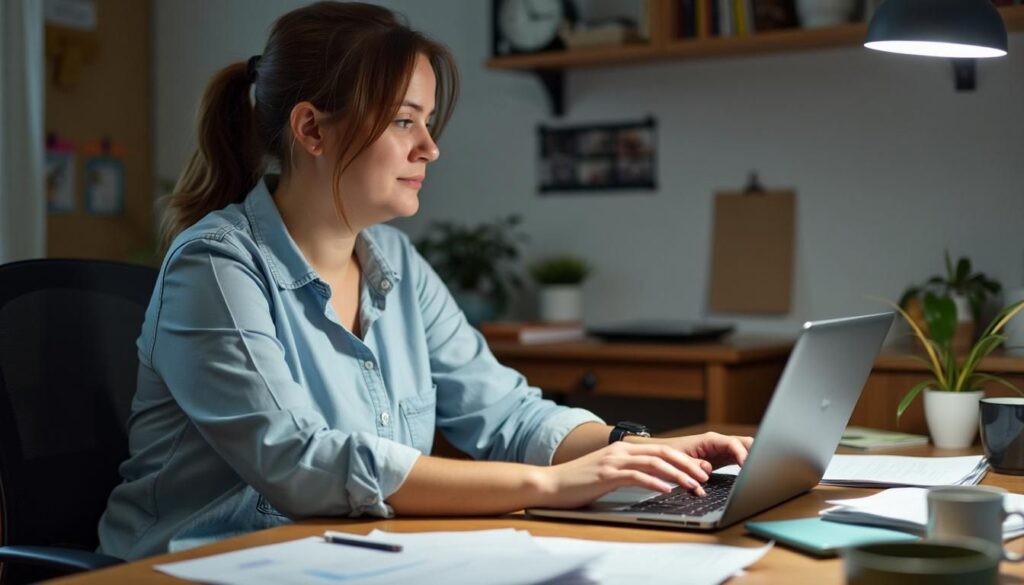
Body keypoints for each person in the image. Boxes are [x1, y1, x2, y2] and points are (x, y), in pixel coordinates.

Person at [97, 1, 753, 560]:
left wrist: (635, 451)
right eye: (405, 120)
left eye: (428, 123)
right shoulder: (215, 265)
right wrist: (553, 485)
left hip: (346, 561)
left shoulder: (397, 265)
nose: (429, 148)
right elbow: (299, 460)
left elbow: (507, 413)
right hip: (194, 567)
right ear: (311, 129)